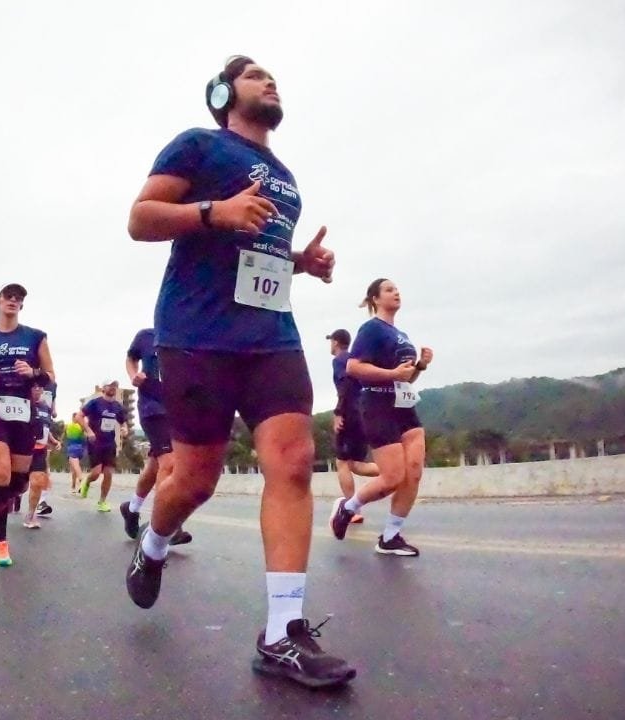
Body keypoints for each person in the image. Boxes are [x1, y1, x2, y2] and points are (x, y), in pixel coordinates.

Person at [123, 55, 354, 688]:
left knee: (292, 458)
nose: (270, 81)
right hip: (196, 333)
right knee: (195, 478)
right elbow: (140, 218)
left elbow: (259, 250)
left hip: (270, 335)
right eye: (254, 75)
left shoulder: (286, 177)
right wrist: (212, 212)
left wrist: (301, 261)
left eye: (272, 75)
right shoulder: (197, 144)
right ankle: (153, 543)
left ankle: (282, 632)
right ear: (224, 93)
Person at [329, 278, 433, 557]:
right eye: (389, 289)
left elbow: (406, 376)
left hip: (404, 405)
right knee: (392, 477)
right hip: (377, 404)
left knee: (414, 471)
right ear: (375, 299)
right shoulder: (371, 329)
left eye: (397, 288)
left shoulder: (400, 333)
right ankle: (347, 508)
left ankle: (390, 536)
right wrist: (391, 375)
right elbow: (353, 367)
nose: (396, 292)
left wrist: (420, 365)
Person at [0, 282, 56, 567]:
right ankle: (1, 545)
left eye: (19, 298)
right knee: (1, 473)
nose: (13, 301)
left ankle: (8, 499)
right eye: (9, 296)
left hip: (22, 411)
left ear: (22, 305)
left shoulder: (36, 337)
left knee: (18, 481)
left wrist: (33, 373)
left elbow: (50, 377)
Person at [120, 327, 191, 544]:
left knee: (155, 467)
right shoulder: (147, 336)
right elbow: (131, 358)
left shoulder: (190, 337)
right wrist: (133, 376)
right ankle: (166, 527)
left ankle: (131, 509)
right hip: (153, 409)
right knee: (169, 464)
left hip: (178, 411)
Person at [327, 329, 379, 523]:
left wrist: (339, 412)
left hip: (350, 412)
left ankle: (351, 509)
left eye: (331, 341)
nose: (330, 345)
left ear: (336, 342)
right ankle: (395, 472)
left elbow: (345, 385)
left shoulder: (340, 360)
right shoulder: (358, 360)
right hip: (364, 411)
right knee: (356, 465)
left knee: (341, 462)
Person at [79, 380, 127, 512]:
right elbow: (79, 416)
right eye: (110, 385)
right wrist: (88, 431)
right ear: (103, 388)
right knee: (96, 473)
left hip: (110, 443)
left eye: (115, 386)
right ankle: (87, 482)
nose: (113, 388)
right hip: (95, 442)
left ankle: (102, 501)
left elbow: (123, 422)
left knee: (108, 473)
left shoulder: (118, 406)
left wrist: (124, 429)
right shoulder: (95, 403)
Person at [23, 382, 60, 529]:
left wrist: (53, 440)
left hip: (40, 450)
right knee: (18, 484)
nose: (37, 389)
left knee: (37, 483)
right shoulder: (23, 405)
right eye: (34, 386)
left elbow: (46, 428)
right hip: (23, 450)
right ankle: (13, 498)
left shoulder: (46, 407)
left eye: (40, 387)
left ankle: (31, 515)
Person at [63, 411, 87, 493]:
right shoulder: (82, 426)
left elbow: (64, 436)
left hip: (72, 449)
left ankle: (82, 481)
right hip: (80, 449)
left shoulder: (68, 426)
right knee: (74, 468)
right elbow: (85, 436)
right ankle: (73, 486)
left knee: (76, 467)